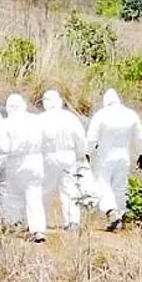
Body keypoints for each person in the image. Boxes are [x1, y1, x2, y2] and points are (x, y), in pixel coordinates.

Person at [86, 88, 142, 232]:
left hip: (105, 157)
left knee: (102, 184)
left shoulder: (101, 115)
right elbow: (139, 137)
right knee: (120, 187)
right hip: (123, 157)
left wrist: (87, 153)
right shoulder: (131, 115)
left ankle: (111, 211)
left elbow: (91, 137)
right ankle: (119, 218)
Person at [0, 94, 48, 243]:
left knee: (13, 195)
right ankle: (38, 229)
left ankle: (15, 226)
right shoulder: (37, 120)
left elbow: (2, 147)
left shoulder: (6, 124)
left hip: (16, 163)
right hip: (36, 162)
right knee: (34, 195)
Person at [39, 90, 87, 231]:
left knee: (45, 190)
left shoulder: (41, 119)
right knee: (69, 189)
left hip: (48, 158)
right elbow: (81, 140)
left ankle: (41, 221)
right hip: (68, 157)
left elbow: (35, 141)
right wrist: (80, 156)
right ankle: (72, 222)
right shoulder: (70, 118)